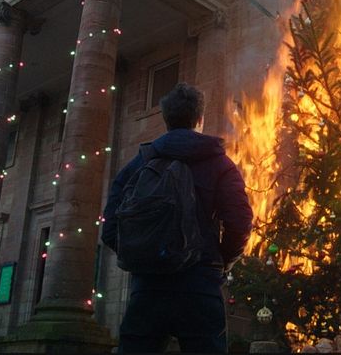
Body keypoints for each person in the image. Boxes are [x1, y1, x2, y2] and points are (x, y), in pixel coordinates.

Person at [101, 82, 253, 353]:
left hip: (146, 289)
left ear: (165, 119)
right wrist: (222, 261)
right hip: (200, 284)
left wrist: (142, 257)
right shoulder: (221, 164)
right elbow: (240, 221)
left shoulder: (138, 164)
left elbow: (110, 228)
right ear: (200, 119)